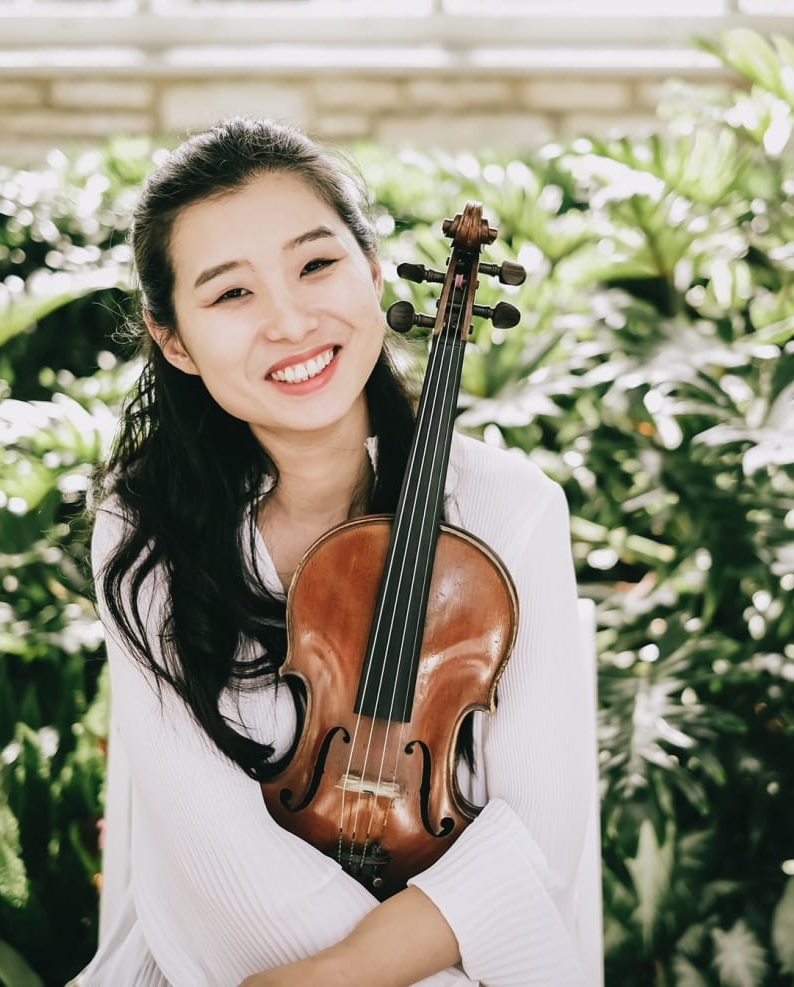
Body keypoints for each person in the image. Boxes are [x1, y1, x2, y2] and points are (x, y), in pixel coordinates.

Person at [75, 116, 596, 987]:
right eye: (230, 294)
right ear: (175, 341)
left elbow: (538, 833)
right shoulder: (144, 527)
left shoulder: (512, 512)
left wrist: (352, 971)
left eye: (317, 264)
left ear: (374, 271)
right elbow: (215, 857)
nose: (289, 321)